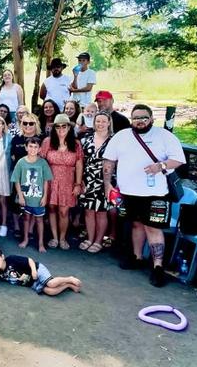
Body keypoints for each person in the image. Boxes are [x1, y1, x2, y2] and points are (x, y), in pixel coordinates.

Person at [103, 104, 186, 287]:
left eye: (143, 118)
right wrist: (108, 183)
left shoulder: (165, 136)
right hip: (128, 192)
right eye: (136, 118)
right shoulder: (121, 136)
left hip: (155, 193)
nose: (139, 121)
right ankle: (137, 257)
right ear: (131, 119)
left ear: (151, 119)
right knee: (135, 225)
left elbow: (179, 159)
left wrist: (161, 166)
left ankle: (158, 267)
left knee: (153, 228)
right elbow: (109, 160)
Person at [40, 114, 84, 250]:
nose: (60, 129)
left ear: (69, 128)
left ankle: (63, 238)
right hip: (51, 180)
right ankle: (54, 237)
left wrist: (78, 184)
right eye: (57, 126)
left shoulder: (76, 144)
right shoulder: (47, 141)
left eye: (63, 126)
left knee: (64, 211)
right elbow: (41, 161)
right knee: (52, 209)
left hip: (68, 181)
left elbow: (79, 164)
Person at [0, 246, 82, 296]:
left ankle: (69, 278)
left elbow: (29, 260)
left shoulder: (11, 259)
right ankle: (68, 285)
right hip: (32, 284)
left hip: (36, 270)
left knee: (51, 283)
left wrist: (33, 271)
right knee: (49, 291)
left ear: (2, 256)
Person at [79, 112, 113, 254]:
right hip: (88, 178)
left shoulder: (113, 141)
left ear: (109, 123)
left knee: (101, 212)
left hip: (104, 179)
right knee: (88, 210)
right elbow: (81, 160)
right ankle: (90, 237)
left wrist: (109, 183)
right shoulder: (86, 139)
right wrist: (80, 179)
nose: (100, 124)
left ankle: (98, 240)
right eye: (97, 121)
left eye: (103, 121)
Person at [11, 136, 53, 252]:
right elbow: (16, 180)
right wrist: (20, 195)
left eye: (35, 147)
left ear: (39, 149)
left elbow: (46, 180)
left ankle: (40, 243)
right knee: (26, 218)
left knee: (39, 220)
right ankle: (25, 239)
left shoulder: (42, 163)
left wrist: (45, 196)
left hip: (38, 198)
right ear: (26, 147)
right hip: (26, 197)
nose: (33, 149)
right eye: (30, 146)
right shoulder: (21, 162)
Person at [9, 112, 43, 237]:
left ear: (36, 124)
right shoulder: (16, 139)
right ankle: (18, 227)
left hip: (35, 177)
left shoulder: (41, 139)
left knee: (33, 202)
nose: (28, 126)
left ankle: (30, 230)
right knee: (16, 201)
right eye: (25, 123)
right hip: (19, 175)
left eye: (31, 123)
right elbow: (12, 157)